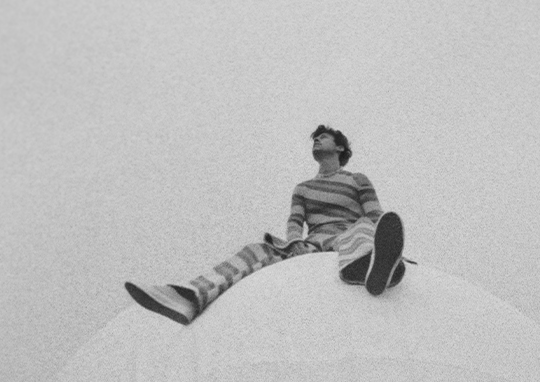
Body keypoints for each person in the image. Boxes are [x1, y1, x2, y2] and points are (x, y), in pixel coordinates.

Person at [125, 125, 410, 326]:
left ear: (340, 147)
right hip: (315, 241)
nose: (316, 141)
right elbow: (295, 221)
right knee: (255, 250)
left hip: (349, 234)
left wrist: (383, 240)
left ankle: (371, 264)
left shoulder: (357, 179)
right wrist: (294, 245)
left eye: (323, 137)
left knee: (363, 228)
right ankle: (190, 295)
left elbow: (376, 216)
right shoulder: (303, 188)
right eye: (314, 138)